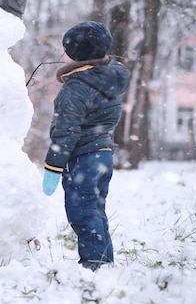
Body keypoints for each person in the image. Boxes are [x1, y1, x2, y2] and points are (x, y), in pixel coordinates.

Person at [42, 21, 130, 271]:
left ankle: (95, 263)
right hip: (103, 155)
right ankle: (103, 259)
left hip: (83, 159)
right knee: (95, 210)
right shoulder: (108, 80)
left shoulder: (78, 87)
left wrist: (52, 166)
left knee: (83, 212)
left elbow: (66, 131)